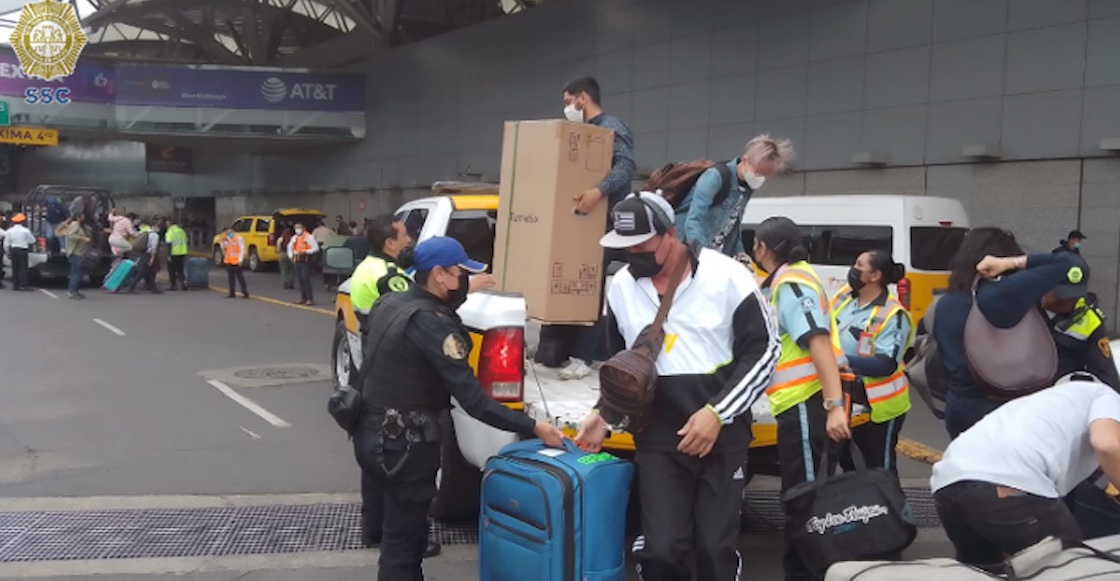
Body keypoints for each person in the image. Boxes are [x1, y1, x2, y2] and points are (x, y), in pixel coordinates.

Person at [574, 192, 780, 580]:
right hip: (657, 437)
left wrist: (717, 414)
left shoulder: (727, 277)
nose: (633, 254)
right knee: (664, 548)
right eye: (624, 247)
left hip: (722, 434)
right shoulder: (620, 286)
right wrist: (605, 413)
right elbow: (621, 365)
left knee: (715, 549)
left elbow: (766, 350)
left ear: (671, 235)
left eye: (641, 245)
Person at [355, 236, 565, 581]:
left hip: (371, 433)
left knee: (401, 529)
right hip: (404, 448)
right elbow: (474, 401)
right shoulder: (434, 325)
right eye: (461, 274)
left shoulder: (390, 303)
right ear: (439, 275)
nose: (464, 281)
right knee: (402, 543)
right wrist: (532, 426)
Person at [751, 216, 851, 581]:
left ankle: (810, 573)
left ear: (763, 248)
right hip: (799, 404)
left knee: (805, 498)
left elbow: (818, 343)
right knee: (801, 494)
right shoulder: (787, 280)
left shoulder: (793, 284)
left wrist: (834, 406)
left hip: (807, 403)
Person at [930, 380, 1120, 571]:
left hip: (947, 484)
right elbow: (1107, 445)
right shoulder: (1107, 397)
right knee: (1070, 568)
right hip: (1008, 485)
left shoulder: (1053, 401)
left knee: (984, 572)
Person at [929, 228, 1079, 439]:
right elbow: (1067, 263)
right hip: (1003, 408)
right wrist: (1014, 263)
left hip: (959, 406)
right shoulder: (1005, 295)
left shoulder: (945, 303)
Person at [551, 75, 636, 381]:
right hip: (585, 222)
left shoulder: (611, 127)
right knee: (585, 285)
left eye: (567, 101)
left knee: (591, 288)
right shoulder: (581, 133)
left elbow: (625, 167)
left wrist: (597, 191)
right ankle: (591, 351)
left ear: (582, 98)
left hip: (611, 220)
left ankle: (586, 356)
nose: (566, 108)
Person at [829, 250, 914, 476]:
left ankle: (890, 510)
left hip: (877, 406)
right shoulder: (844, 296)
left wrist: (841, 361)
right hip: (844, 399)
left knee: (879, 469)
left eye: (859, 265)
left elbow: (886, 365)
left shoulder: (893, 314)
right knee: (849, 465)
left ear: (875, 275)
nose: (853, 269)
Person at [674, 134, 794, 257]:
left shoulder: (747, 188)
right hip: (687, 252)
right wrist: (702, 254)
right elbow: (694, 220)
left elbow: (732, 227)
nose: (760, 178)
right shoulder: (715, 177)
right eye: (758, 172)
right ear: (745, 160)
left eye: (765, 175)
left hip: (715, 255)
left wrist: (740, 254)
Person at [1040, 254, 1119, 390]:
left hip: (1060, 395)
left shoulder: (1090, 321)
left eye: (1073, 296)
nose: (1066, 301)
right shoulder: (1024, 305)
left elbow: (1106, 376)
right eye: (1060, 294)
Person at [127, 221, 163, 294]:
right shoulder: (155, 235)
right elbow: (153, 247)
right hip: (149, 254)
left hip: (144, 253)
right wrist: (152, 257)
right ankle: (131, 287)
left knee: (151, 271)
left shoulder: (146, 232)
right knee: (143, 272)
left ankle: (153, 288)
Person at [61, 213, 92, 300]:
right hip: (75, 253)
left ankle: (75, 290)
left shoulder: (79, 225)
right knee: (76, 273)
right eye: (82, 216)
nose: (84, 217)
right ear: (78, 217)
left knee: (78, 273)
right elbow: (71, 235)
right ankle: (72, 291)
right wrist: (83, 238)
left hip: (79, 252)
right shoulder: (74, 225)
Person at [288, 222, 320, 305]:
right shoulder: (294, 238)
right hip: (297, 260)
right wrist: (291, 256)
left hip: (305, 260)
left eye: (299, 227)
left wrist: (305, 252)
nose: (297, 230)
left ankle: (310, 298)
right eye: (296, 228)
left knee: (305, 278)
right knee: (300, 279)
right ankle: (303, 298)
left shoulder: (309, 237)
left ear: (304, 228)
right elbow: (290, 247)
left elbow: (316, 248)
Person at [3, 213, 34, 291]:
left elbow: (6, 243)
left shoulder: (9, 231)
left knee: (15, 268)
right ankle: (23, 285)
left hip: (13, 249)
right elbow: (32, 240)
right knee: (23, 268)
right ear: (22, 221)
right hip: (23, 250)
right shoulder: (26, 231)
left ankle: (15, 285)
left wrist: (7, 252)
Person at [221, 228, 249, 299]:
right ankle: (231, 293)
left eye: (230, 232)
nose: (228, 234)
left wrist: (240, 260)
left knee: (240, 277)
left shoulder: (239, 238)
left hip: (237, 261)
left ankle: (245, 293)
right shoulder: (226, 239)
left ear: (233, 231)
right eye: (227, 233)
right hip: (229, 261)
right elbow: (224, 249)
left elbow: (242, 249)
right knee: (230, 278)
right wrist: (223, 242)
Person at [164, 218, 189, 291]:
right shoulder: (182, 231)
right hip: (182, 253)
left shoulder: (170, 232)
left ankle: (173, 285)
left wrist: (168, 255)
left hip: (173, 253)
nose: (166, 225)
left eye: (167, 224)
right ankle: (183, 283)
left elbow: (169, 244)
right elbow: (186, 241)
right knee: (180, 269)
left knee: (171, 270)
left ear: (170, 224)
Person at [277, 224, 295, 290]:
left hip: (283, 254)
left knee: (284, 270)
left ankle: (285, 283)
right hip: (291, 254)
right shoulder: (293, 238)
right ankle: (291, 283)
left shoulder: (280, 239)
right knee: (291, 269)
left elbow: (278, 247)